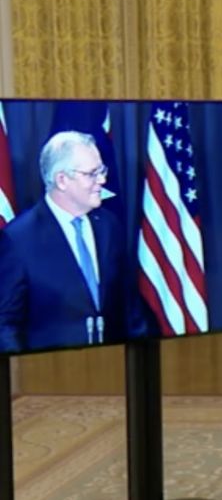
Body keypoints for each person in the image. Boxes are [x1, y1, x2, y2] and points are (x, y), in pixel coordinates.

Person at [0, 131, 138, 352]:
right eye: (91, 174)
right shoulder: (18, 241)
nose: (102, 181)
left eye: (102, 171)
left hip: (115, 368)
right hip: (51, 375)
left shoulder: (109, 226)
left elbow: (130, 308)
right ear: (62, 180)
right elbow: (5, 326)